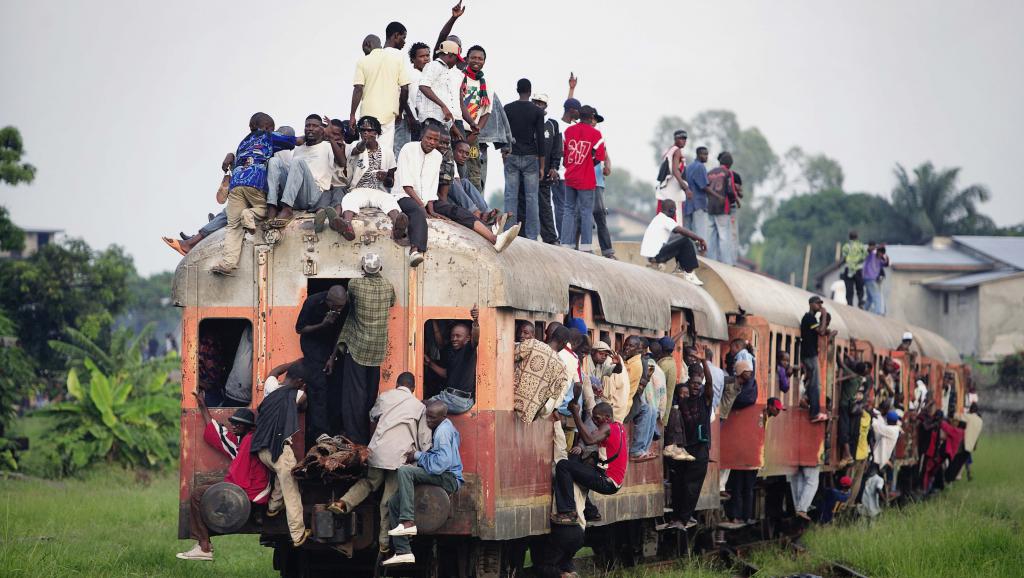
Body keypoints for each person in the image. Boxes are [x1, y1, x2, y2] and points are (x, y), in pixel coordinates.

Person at [327, 372, 432, 551]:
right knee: (388, 499)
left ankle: (343, 503)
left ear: (397, 384)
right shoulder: (418, 406)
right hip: (400, 457)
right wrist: (425, 455)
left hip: (378, 451)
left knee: (369, 482)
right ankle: (384, 543)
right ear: (413, 389)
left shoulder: (385, 397)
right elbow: (424, 438)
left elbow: (372, 416)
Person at [176, 398, 268, 561]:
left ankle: (204, 546)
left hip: (251, 492)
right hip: (248, 487)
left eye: (238, 424)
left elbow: (238, 477)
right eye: (233, 422)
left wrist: (221, 490)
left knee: (198, 494)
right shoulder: (243, 439)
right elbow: (219, 434)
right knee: (205, 490)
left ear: (249, 427)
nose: (233, 426)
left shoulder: (249, 441)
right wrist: (203, 407)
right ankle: (203, 544)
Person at [210, 113, 296, 276]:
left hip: (236, 185)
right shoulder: (267, 136)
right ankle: (248, 215)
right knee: (263, 210)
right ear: (267, 127)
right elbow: (293, 142)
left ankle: (228, 263)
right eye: (271, 128)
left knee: (233, 226)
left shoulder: (243, 143)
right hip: (255, 182)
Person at [383, 400, 464, 566]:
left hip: (449, 478)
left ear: (442, 417)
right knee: (393, 503)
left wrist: (418, 456)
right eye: (427, 417)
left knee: (405, 471)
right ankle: (403, 551)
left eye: (432, 418)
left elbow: (440, 465)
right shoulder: (447, 425)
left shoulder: (442, 432)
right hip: (444, 474)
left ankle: (407, 521)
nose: (428, 421)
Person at [328, 253, 396, 445]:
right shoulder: (388, 286)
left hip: (357, 348)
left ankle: (354, 437)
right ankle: (368, 435)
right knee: (370, 395)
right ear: (380, 269)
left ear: (363, 269)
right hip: (377, 350)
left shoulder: (355, 285)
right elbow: (392, 301)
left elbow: (350, 302)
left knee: (353, 396)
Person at [250, 359, 312, 547]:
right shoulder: (297, 394)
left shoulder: (271, 387)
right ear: (301, 382)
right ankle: (298, 534)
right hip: (279, 449)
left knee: (281, 474)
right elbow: (304, 405)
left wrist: (293, 363)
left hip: (262, 450)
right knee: (291, 487)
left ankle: (273, 507)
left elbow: (274, 370)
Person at [322, 116, 408, 242]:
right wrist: (364, 141)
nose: (366, 133)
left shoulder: (388, 152)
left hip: (378, 191)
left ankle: (398, 226)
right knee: (349, 200)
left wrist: (385, 178)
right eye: (363, 130)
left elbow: (391, 182)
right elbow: (358, 149)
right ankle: (347, 226)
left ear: (377, 132)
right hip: (358, 189)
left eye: (369, 130)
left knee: (390, 201)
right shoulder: (353, 146)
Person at [433, 138, 521, 251]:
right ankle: (480, 215)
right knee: (453, 182)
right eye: (460, 152)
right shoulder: (435, 159)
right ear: (453, 151)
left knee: (464, 182)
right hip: (438, 200)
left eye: (466, 153)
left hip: (451, 199)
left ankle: (488, 213)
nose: (464, 156)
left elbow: (459, 186)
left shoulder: (450, 161)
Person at [550, 402, 627, 526]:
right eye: (593, 418)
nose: (594, 421)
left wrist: (575, 413)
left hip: (607, 481)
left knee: (563, 466)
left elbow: (589, 440)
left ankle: (568, 512)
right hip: (612, 481)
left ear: (607, 418)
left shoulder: (607, 427)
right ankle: (590, 511)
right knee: (575, 461)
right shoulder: (619, 427)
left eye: (597, 418)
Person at [266, 115, 346, 225]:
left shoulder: (327, 146)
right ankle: (272, 206)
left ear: (322, 129)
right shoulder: (299, 149)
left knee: (298, 161)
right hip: (295, 197)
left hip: (314, 196)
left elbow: (342, 163)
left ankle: (287, 209)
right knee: (274, 161)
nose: (310, 128)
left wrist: (331, 137)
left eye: (315, 126)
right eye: (308, 126)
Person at [295, 285, 347, 445]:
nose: (339, 309)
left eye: (342, 306)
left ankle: (335, 430)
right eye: (336, 306)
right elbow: (300, 329)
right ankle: (319, 433)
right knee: (318, 388)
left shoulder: (344, 305)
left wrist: (332, 357)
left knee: (336, 389)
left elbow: (340, 332)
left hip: (333, 348)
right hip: (313, 348)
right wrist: (323, 324)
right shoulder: (312, 302)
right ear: (328, 301)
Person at [350, 23, 409, 157]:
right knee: (384, 151)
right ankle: (381, 176)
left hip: (368, 115)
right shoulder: (397, 58)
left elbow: (358, 89)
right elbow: (404, 88)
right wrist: (400, 112)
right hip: (389, 114)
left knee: (365, 152)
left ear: (368, 44)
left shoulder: (362, 61)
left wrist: (352, 115)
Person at [502, 78, 546, 240]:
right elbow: (541, 139)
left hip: (512, 155)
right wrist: (541, 165)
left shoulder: (508, 109)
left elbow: (504, 134)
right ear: (530, 91)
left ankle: (508, 232)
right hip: (530, 157)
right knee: (532, 198)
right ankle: (532, 235)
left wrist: (504, 154)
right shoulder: (537, 111)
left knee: (510, 196)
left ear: (517, 90)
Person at [395, 121, 444, 266]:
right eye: (429, 138)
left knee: (448, 211)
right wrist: (422, 207)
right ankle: (415, 250)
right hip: (403, 195)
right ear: (422, 136)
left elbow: (432, 185)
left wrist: (431, 209)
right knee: (416, 211)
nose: (432, 142)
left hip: (423, 199)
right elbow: (406, 185)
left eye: (436, 140)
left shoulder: (438, 156)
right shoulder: (408, 148)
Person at [559, 105, 605, 253]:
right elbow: (599, 157)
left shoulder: (568, 131)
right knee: (586, 212)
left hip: (570, 176)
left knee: (568, 210)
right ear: (592, 117)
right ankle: (586, 248)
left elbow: (564, 156)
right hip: (586, 178)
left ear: (578, 115)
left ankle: (565, 244)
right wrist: (587, 163)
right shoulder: (596, 134)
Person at [426, 306, 480, 415]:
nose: (454, 339)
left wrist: (475, 321)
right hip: (452, 398)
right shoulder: (453, 352)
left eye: (458, 336)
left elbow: (475, 337)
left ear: (467, 338)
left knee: (423, 406)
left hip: (458, 400)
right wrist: (429, 363)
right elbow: (446, 374)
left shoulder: (469, 350)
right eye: (452, 336)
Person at [639, 201, 707, 286]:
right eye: (675, 210)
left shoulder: (657, 219)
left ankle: (680, 269)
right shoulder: (666, 220)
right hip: (657, 255)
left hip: (651, 256)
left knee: (678, 240)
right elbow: (682, 231)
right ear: (672, 210)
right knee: (685, 240)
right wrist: (700, 239)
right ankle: (689, 273)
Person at [513, 330, 569, 423]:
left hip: (510, 401)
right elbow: (551, 396)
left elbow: (512, 355)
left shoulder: (533, 344)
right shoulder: (562, 368)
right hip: (529, 414)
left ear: (551, 336)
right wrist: (537, 413)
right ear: (564, 343)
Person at [460, 45, 492, 190]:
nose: (476, 61)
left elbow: (486, 112)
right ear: (466, 59)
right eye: (473, 58)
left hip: (473, 134)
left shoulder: (486, 85)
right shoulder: (458, 77)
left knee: (474, 171)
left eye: (480, 59)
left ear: (484, 61)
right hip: (457, 130)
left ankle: (475, 208)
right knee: (456, 170)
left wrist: (476, 132)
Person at [533, 93, 562, 244]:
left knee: (545, 207)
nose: (538, 105)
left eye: (541, 103)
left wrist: (554, 167)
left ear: (545, 107)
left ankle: (550, 238)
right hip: (528, 171)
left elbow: (557, 148)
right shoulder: (526, 122)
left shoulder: (552, 124)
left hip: (544, 174)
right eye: (536, 102)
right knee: (525, 204)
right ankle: (524, 235)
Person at [418, 40, 462, 138]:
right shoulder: (434, 65)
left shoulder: (445, 70)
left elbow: (446, 98)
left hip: (442, 121)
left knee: (442, 152)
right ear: (450, 54)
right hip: (431, 119)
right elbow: (423, 86)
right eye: (456, 58)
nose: (456, 62)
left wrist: (453, 126)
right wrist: (443, 106)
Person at [586, 109, 616, 258]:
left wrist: (608, 166)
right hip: (583, 181)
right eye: (592, 119)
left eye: (595, 120)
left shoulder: (598, 137)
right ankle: (583, 248)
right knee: (583, 216)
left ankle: (607, 251)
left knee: (600, 215)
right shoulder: (581, 134)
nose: (593, 122)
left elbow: (606, 155)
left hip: (597, 181)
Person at [800, 296, 832, 423]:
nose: (820, 306)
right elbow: (822, 331)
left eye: (820, 304)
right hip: (809, 354)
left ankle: (811, 405)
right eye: (818, 304)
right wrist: (823, 315)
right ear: (811, 304)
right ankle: (814, 413)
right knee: (815, 385)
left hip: (810, 354)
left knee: (813, 383)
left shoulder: (811, 319)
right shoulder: (809, 318)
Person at [705, 152, 737, 264]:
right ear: (729, 164)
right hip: (723, 208)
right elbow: (730, 190)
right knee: (724, 236)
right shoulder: (728, 173)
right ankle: (726, 263)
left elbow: (705, 188)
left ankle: (711, 262)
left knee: (711, 235)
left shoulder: (710, 172)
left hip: (710, 207)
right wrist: (733, 200)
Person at [655, 130, 689, 225]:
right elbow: (675, 170)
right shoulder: (677, 151)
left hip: (665, 191)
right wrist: (686, 188)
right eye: (681, 138)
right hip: (672, 192)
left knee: (664, 220)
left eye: (685, 139)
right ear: (675, 139)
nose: (684, 141)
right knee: (675, 221)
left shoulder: (670, 150)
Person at [683, 146, 712, 243]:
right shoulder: (700, 166)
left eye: (707, 154)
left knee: (688, 234)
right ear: (698, 155)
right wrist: (717, 196)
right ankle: (701, 256)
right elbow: (704, 186)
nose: (706, 156)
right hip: (698, 204)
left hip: (688, 205)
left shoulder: (689, 167)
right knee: (701, 234)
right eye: (704, 154)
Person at [840, 230, 868, 308]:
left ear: (849, 237)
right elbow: (865, 256)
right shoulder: (861, 246)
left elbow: (844, 257)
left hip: (848, 269)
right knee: (860, 287)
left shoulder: (846, 246)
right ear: (857, 237)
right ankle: (860, 302)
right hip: (858, 269)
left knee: (849, 288)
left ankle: (850, 304)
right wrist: (858, 261)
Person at [961, 403, 983, 481]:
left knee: (963, 457)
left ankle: (961, 473)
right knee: (967, 458)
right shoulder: (978, 419)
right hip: (970, 440)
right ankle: (968, 473)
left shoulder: (968, 416)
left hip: (964, 439)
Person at [862, 241, 885, 314]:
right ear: (877, 252)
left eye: (882, 254)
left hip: (872, 279)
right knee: (877, 295)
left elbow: (886, 263)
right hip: (869, 278)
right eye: (880, 253)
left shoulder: (880, 260)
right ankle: (877, 312)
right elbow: (869, 249)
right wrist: (878, 246)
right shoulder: (871, 255)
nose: (881, 255)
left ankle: (863, 310)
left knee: (870, 298)